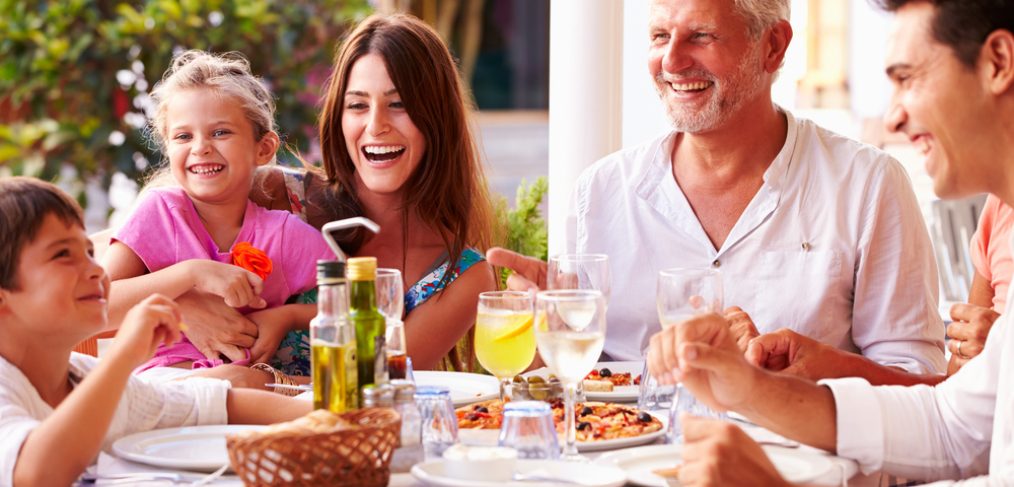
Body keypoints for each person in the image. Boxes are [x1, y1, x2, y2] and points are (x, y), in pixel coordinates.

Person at [647, 0, 1014, 483]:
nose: (893, 117)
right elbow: (952, 427)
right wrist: (748, 388)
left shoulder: (866, 179)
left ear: (998, 63)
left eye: (908, 78)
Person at [489, 0, 946, 381]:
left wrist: (788, 374)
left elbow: (918, 381)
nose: (671, 62)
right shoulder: (600, 193)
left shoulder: (867, 185)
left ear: (773, 46)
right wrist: (544, 331)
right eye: (659, 36)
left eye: (701, 36)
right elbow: (569, 383)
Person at [164, 14, 500, 372]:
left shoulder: (459, 277)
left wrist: (290, 320)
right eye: (357, 105)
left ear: (439, 118)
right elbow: (112, 274)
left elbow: (375, 386)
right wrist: (184, 304)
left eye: (398, 104)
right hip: (209, 422)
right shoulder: (274, 193)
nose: (376, 126)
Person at [0, 177, 310, 486]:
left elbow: (218, 404)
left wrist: (336, 417)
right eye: (62, 255)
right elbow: (36, 474)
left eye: (89, 252)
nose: (96, 270)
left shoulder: (82, 379)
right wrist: (123, 357)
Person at [102, 50, 333, 384]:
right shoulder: (160, 212)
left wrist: (288, 316)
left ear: (263, 149)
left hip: (247, 399)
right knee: (246, 382)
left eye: (220, 132)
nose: (201, 147)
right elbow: (97, 304)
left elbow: (364, 305)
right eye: (183, 136)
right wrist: (190, 275)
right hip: (163, 388)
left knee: (252, 382)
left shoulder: (282, 233)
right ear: (167, 147)